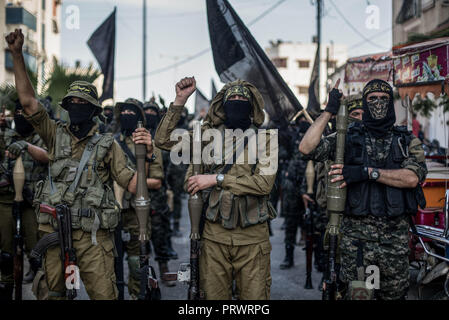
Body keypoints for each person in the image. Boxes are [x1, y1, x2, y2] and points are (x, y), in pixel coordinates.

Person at [6, 28, 153, 300]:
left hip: (93, 238)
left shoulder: (108, 145)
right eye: (71, 102)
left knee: (104, 295)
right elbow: (27, 102)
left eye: (82, 103)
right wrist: (16, 54)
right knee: (53, 294)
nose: (76, 106)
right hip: (54, 232)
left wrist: (148, 156)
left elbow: (134, 185)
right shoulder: (54, 134)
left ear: (94, 110)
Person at [299, 79, 427, 300]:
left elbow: (412, 178)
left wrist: (368, 172)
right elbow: (306, 147)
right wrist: (329, 111)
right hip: (358, 246)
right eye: (372, 99)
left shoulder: (405, 141)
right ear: (365, 104)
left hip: (394, 246)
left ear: (391, 103)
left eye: (384, 99)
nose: (378, 103)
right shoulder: (347, 137)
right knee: (361, 296)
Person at [154, 77, 277, 300]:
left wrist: (217, 179)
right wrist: (180, 100)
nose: (237, 102)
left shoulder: (266, 139)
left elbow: (263, 184)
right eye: (233, 98)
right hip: (214, 238)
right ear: (223, 105)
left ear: (252, 106)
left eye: (242, 98)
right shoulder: (206, 138)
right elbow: (162, 140)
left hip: (252, 240)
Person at [0, 101, 49, 299]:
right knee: (5, 255)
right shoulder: (5, 135)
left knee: (37, 254)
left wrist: (27, 146)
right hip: (6, 201)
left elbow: (48, 157)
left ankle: (42, 289)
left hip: (33, 202)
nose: (21, 115)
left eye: (25, 112)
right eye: (17, 112)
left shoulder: (42, 136)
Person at [279, 116, 310, 269]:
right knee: (291, 223)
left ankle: (317, 260)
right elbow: (282, 140)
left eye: (306, 118)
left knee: (311, 224)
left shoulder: (317, 134)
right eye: (301, 119)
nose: (304, 121)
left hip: (310, 184)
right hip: (292, 184)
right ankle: (288, 256)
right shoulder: (292, 136)